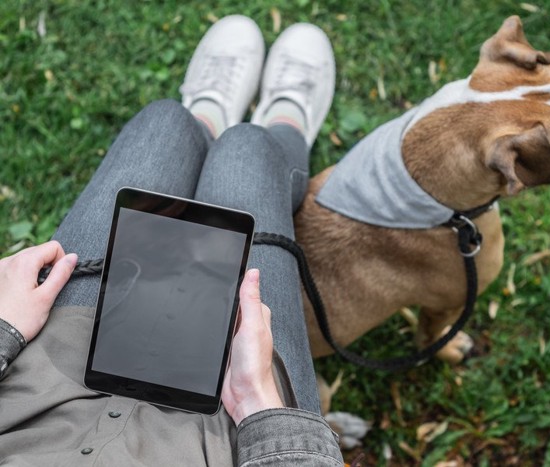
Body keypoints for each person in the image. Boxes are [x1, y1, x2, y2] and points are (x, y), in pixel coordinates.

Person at [0, 15, 344, 466]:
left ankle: (208, 113)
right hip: (229, 429)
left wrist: (3, 329)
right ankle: (286, 118)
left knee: (166, 122)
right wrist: (258, 400)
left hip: (38, 383)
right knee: (250, 151)